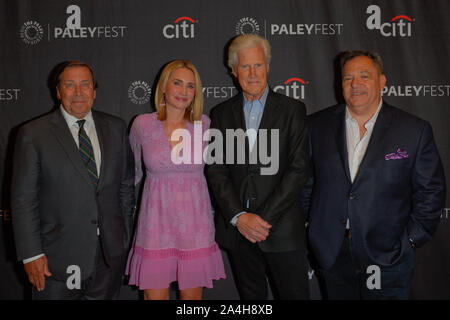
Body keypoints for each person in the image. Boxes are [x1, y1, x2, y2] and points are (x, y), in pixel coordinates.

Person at [304, 50, 446, 299]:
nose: (355, 84)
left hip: (388, 257)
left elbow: (431, 192)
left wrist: (409, 241)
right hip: (333, 254)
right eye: (348, 78)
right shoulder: (316, 126)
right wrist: (311, 228)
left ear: (382, 81)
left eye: (364, 76)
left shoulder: (413, 130)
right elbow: (305, 184)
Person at [11, 61, 135, 299]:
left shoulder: (116, 128)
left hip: (107, 259)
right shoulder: (33, 134)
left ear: (94, 91)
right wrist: (31, 254)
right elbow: (23, 199)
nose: (78, 92)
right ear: (58, 92)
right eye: (70, 85)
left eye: (85, 85)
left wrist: (124, 237)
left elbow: (125, 187)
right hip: (55, 261)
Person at [206, 34, 310, 299]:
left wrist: (261, 220)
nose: (253, 74)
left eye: (258, 65)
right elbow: (216, 171)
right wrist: (240, 218)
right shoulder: (220, 114)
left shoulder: (292, 109)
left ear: (268, 66)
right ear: (233, 70)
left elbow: (298, 169)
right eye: (245, 66)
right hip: (239, 235)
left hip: (282, 230)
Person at [125, 60, 225, 300]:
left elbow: (219, 175)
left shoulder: (206, 126)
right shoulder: (142, 125)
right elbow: (133, 175)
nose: (183, 91)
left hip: (195, 228)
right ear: (164, 87)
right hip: (155, 228)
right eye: (177, 83)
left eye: (190, 86)